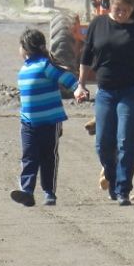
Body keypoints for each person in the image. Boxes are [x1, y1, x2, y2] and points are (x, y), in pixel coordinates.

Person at [74, 0, 134, 206]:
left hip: (133, 92)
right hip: (105, 92)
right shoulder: (98, 24)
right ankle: (113, 181)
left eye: (126, 10)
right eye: (117, 9)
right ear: (109, 6)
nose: (121, 14)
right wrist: (81, 85)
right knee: (103, 143)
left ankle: (124, 189)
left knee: (125, 139)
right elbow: (86, 57)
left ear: (133, 8)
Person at [10, 29, 80, 207]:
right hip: (28, 122)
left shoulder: (45, 65)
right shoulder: (24, 68)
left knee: (48, 157)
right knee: (29, 156)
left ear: (25, 48)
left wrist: (78, 89)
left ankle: (49, 192)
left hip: (50, 122)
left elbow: (66, 78)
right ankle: (27, 192)